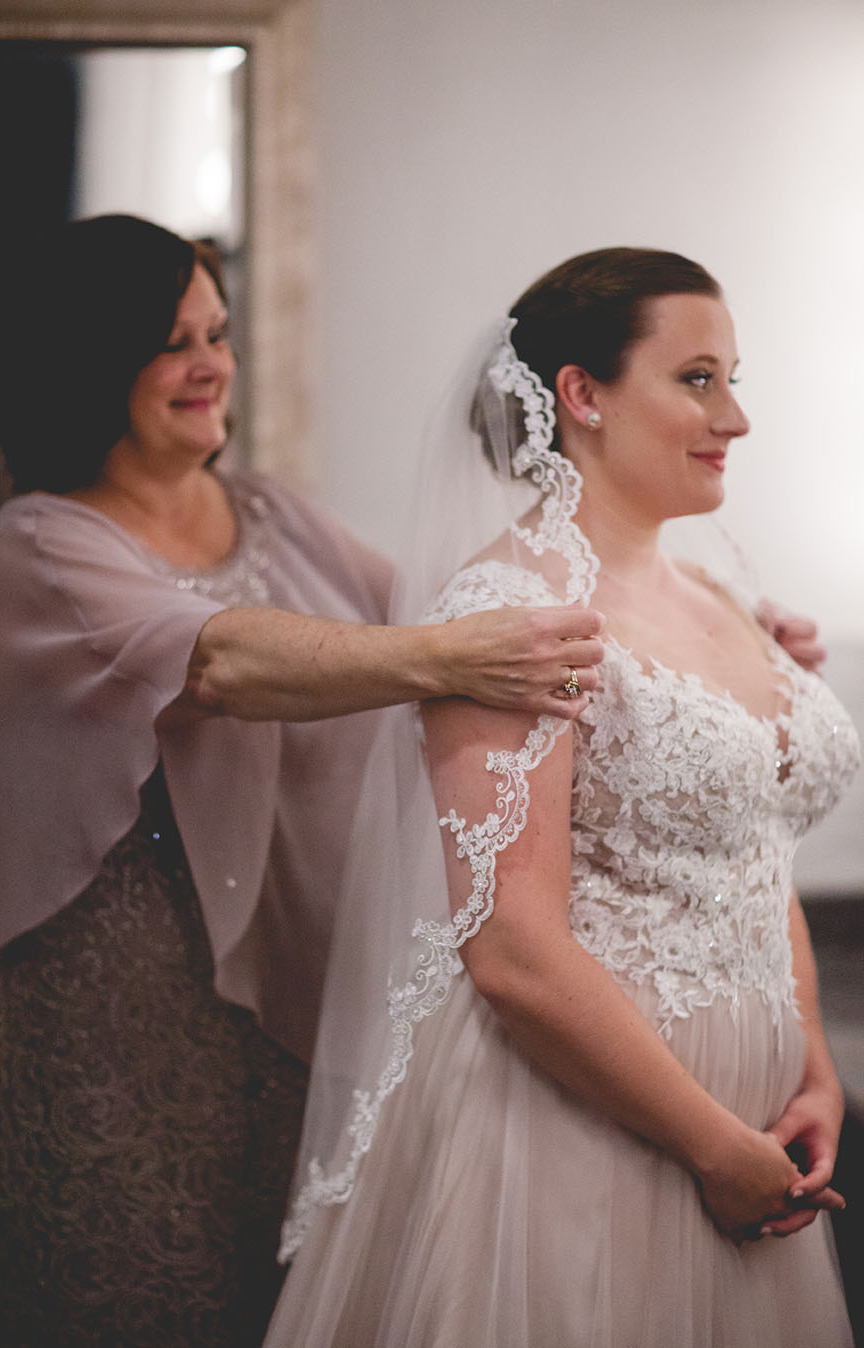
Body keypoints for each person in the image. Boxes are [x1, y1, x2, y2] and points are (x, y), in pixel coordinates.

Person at [0, 214, 609, 1348]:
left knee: (272, 1287)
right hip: (111, 1010)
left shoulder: (266, 507)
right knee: (128, 1289)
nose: (210, 364)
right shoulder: (36, 547)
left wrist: (705, 631)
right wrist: (446, 659)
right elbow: (220, 659)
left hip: (286, 984)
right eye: (171, 341)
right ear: (85, 359)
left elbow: (448, 596)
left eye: (216, 332)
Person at [264, 248, 861, 1347]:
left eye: (733, 378)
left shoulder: (723, 593)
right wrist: (710, 1146)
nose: (732, 416)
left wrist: (812, 1068)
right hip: (583, 1131)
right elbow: (510, 953)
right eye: (694, 379)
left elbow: (754, 852)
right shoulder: (509, 610)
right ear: (581, 395)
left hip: (752, 1125)